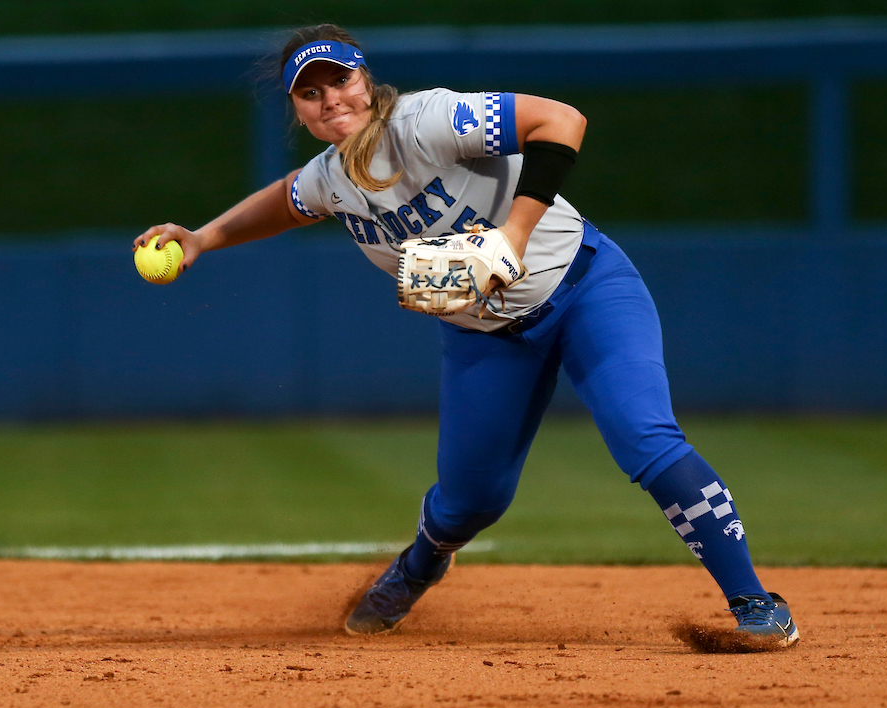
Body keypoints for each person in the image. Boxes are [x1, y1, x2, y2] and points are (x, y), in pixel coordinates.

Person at [134, 23, 799, 646]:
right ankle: (422, 563)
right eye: (310, 93)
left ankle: (755, 604)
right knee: (469, 501)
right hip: (484, 334)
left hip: (585, 287)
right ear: (299, 112)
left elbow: (562, 121)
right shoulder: (331, 179)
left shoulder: (426, 121)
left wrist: (514, 232)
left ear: (366, 82)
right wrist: (202, 238)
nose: (329, 98)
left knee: (645, 438)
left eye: (338, 80)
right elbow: (286, 198)